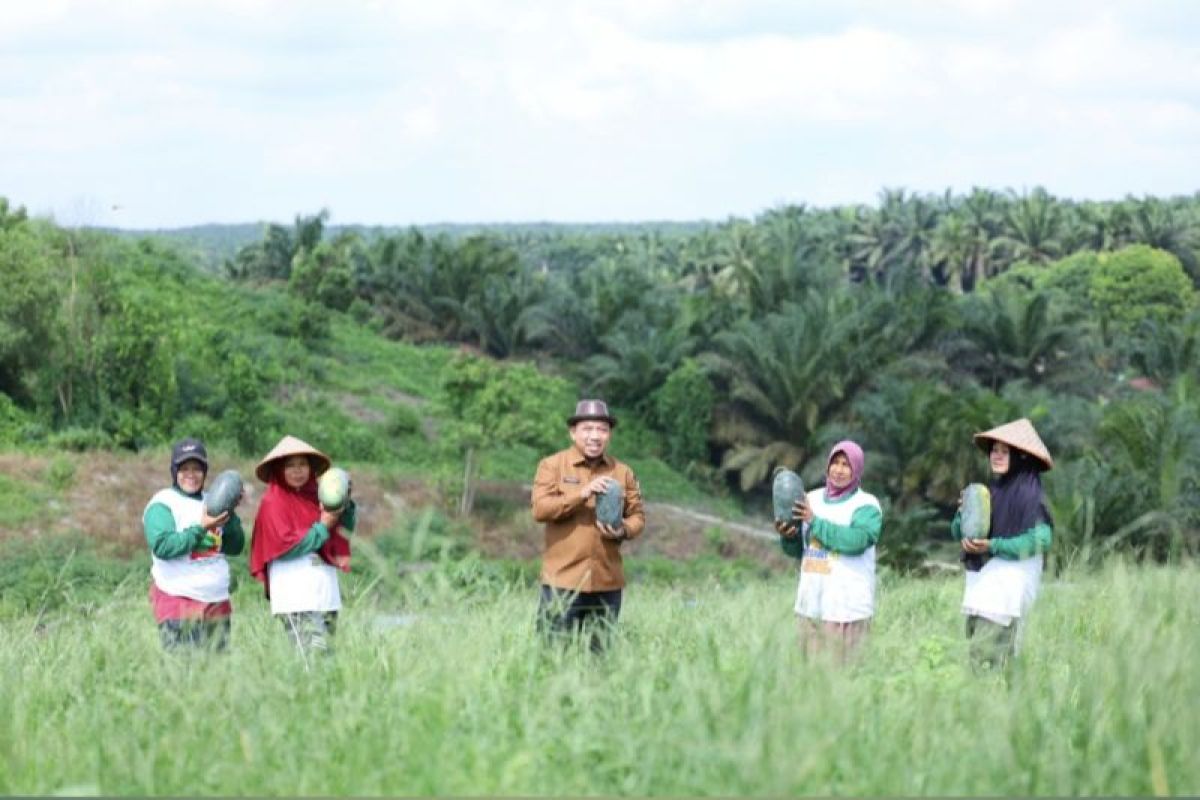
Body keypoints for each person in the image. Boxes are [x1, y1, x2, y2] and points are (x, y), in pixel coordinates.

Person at [531, 399, 645, 651]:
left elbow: (638, 516)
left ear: (609, 435)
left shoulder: (623, 472)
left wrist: (623, 530)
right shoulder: (552, 466)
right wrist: (582, 493)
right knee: (552, 658)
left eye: (602, 430)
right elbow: (540, 510)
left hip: (607, 583)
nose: (595, 436)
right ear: (573, 433)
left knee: (600, 662)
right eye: (588, 429)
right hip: (563, 583)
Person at [952, 418, 1053, 670]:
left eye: (1004, 451)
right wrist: (961, 515)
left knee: (991, 659)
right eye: (993, 450)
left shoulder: (1032, 497)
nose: (995, 456)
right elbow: (959, 532)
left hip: (1008, 589)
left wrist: (993, 546)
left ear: (1020, 456)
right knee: (976, 655)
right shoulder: (987, 493)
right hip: (983, 587)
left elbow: (1041, 540)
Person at [775, 440, 883, 663]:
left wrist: (814, 521)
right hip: (811, 607)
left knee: (843, 683)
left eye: (846, 465)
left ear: (856, 470)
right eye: (835, 463)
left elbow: (857, 540)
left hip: (847, 609)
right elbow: (799, 550)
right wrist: (788, 537)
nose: (839, 470)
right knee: (811, 685)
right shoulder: (810, 499)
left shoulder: (867, 505)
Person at [249, 435, 356, 660]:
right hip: (295, 594)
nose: (297, 471)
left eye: (302, 464)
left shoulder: (317, 497)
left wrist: (344, 504)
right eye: (290, 465)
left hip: (324, 591)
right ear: (280, 470)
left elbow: (343, 531)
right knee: (310, 658)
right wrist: (323, 525)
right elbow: (287, 546)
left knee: (327, 657)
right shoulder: (273, 503)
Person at [142, 437, 245, 651]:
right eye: (184, 468)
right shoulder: (163, 503)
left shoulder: (213, 502)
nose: (191, 474)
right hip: (178, 600)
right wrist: (202, 527)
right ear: (174, 471)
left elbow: (235, 546)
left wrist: (231, 512)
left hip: (217, 601)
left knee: (216, 676)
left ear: (205, 472)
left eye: (197, 469)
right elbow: (162, 546)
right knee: (183, 673)